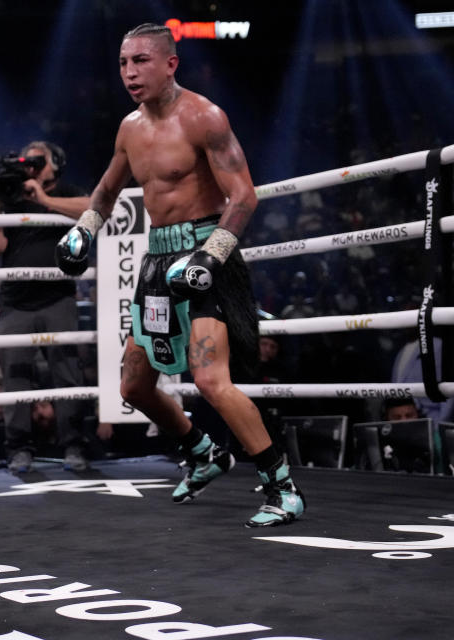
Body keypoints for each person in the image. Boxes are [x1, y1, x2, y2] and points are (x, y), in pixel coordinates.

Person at [55, 23, 304, 527]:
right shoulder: (130, 128)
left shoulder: (204, 118)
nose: (130, 72)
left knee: (211, 380)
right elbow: (105, 192)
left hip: (206, 255)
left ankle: (282, 486)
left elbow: (244, 197)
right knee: (133, 386)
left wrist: (210, 258)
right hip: (156, 262)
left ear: (171, 63)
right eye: (124, 62)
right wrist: (84, 229)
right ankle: (203, 451)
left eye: (141, 61)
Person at [0, 141, 92, 473]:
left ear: (54, 164)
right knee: (15, 377)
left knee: (67, 374)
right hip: (15, 302)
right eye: (26, 160)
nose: (29, 165)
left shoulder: (67, 193)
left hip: (58, 297)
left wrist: (42, 199)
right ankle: (18, 449)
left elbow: (93, 210)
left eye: (37, 160)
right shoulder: (12, 197)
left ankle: (73, 444)